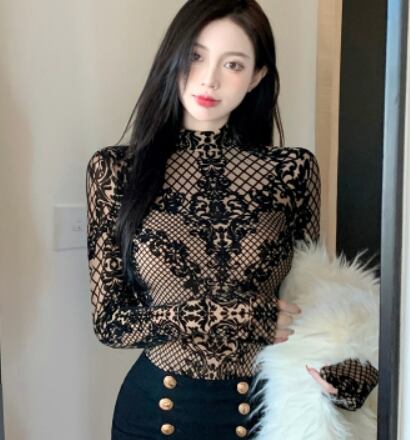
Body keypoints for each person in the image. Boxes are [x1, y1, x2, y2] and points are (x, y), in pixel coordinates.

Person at [85, 1, 378, 439]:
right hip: (154, 412)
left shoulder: (291, 171)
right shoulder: (115, 170)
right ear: (172, 56)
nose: (209, 79)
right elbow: (111, 323)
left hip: (260, 412)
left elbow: (309, 296)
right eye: (196, 56)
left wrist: (351, 369)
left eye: (233, 64)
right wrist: (229, 314)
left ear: (257, 76)